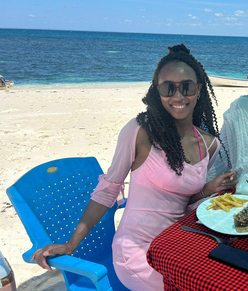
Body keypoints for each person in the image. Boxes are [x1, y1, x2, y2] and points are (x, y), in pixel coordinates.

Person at [31, 44, 236, 291]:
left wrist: (209, 188)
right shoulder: (141, 131)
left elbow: (183, 199)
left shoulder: (209, 144)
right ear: (158, 92)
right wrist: (70, 245)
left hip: (177, 244)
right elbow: (108, 190)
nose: (178, 96)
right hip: (137, 252)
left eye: (187, 86)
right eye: (168, 87)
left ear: (199, 89)